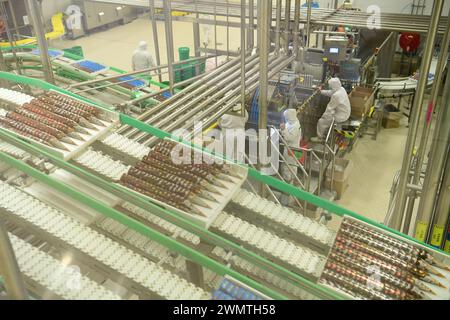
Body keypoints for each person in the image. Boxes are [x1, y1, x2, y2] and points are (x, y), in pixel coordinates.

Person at [311, 77, 351, 143]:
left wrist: (323, 117)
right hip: (345, 112)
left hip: (341, 116)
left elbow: (329, 109)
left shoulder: (336, 95)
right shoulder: (341, 89)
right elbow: (331, 92)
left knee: (321, 122)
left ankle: (320, 138)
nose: (329, 87)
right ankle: (325, 133)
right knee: (327, 117)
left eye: (330, 86)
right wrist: (320, 92)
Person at [280, 109, 302, 183]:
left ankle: (288, 181)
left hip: (292, 148)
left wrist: (283, 130)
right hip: (291, 147)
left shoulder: (295, 126)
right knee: (291, 164)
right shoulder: (292, 122)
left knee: (288, 165)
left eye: (286, 117)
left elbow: (289, 138)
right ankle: (291, 179)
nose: (285, 119)